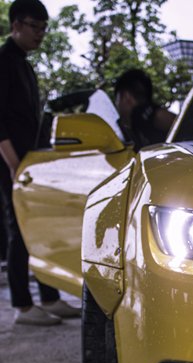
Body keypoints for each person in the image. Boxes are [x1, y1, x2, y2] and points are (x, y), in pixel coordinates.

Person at [0, 0, 81, 325]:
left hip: (29, 163)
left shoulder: (24, 64)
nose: (41, 34)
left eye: (44, 28)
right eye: (35, 27)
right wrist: (13, 164)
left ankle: (49, 297)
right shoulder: (4, 61)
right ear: (16, 25)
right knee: (20, 230)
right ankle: (22, 306)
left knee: (41, 227)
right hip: (12, 163)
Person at [114, 69, 176, 152]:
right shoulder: (137, 125)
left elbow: (186, 126)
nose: (117, 105)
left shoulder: (149, 115)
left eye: (117, 100)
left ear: (126, 97)